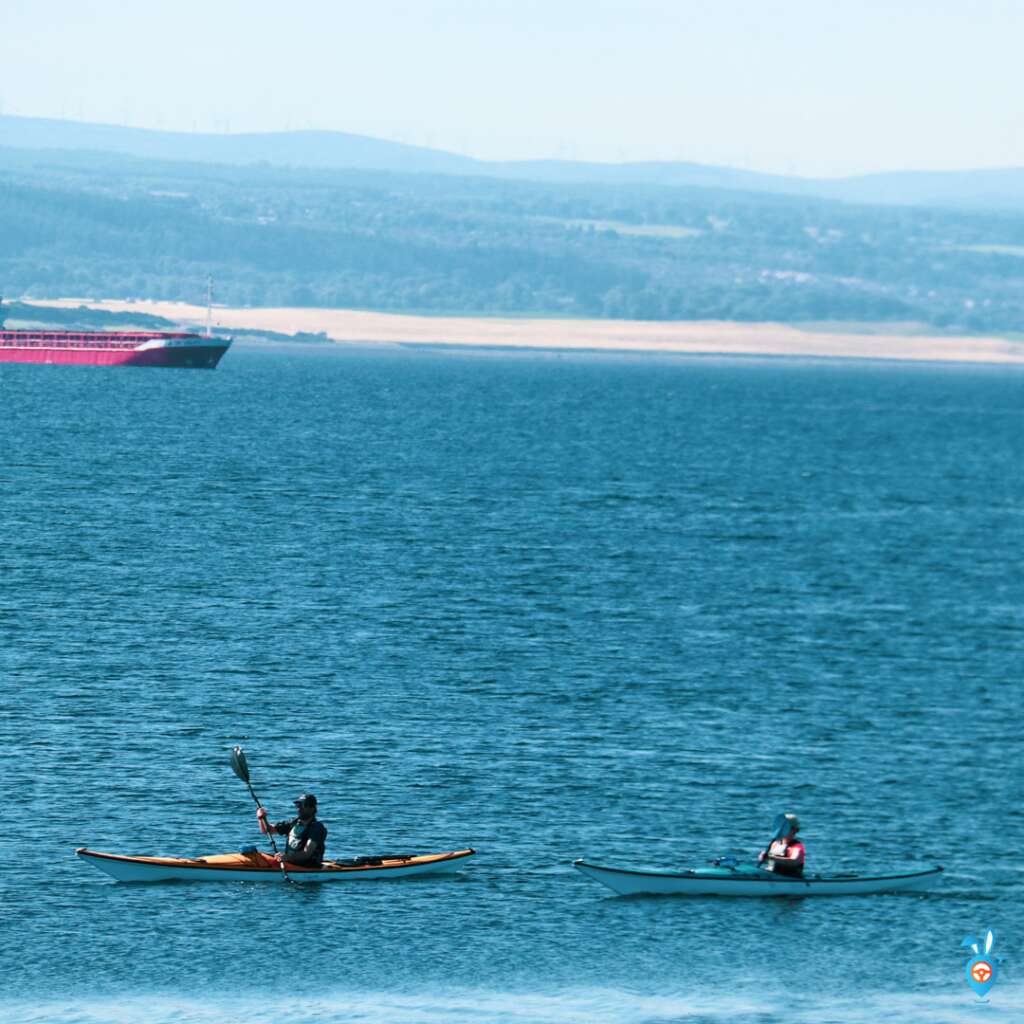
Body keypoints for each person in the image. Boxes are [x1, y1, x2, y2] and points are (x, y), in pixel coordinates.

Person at [256, 793, 328, 867]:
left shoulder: (317, 828)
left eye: (303, 806)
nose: (299, 809)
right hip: (290, 864)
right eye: (298, 806)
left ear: (312, 808)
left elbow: (306, 854)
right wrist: (261, 818)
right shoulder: (293, 822)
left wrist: (287, 857)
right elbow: (268, 830)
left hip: (308, 866)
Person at [758, 813, 805, 877]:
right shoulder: (775, 844)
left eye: (786, 827)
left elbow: (793, 861)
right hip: (773, 877)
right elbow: (770, 863)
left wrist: (772, 858)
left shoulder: (797, 847)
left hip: (790, 879)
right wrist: (764, 858)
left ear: (794, 830)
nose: (782, 829)